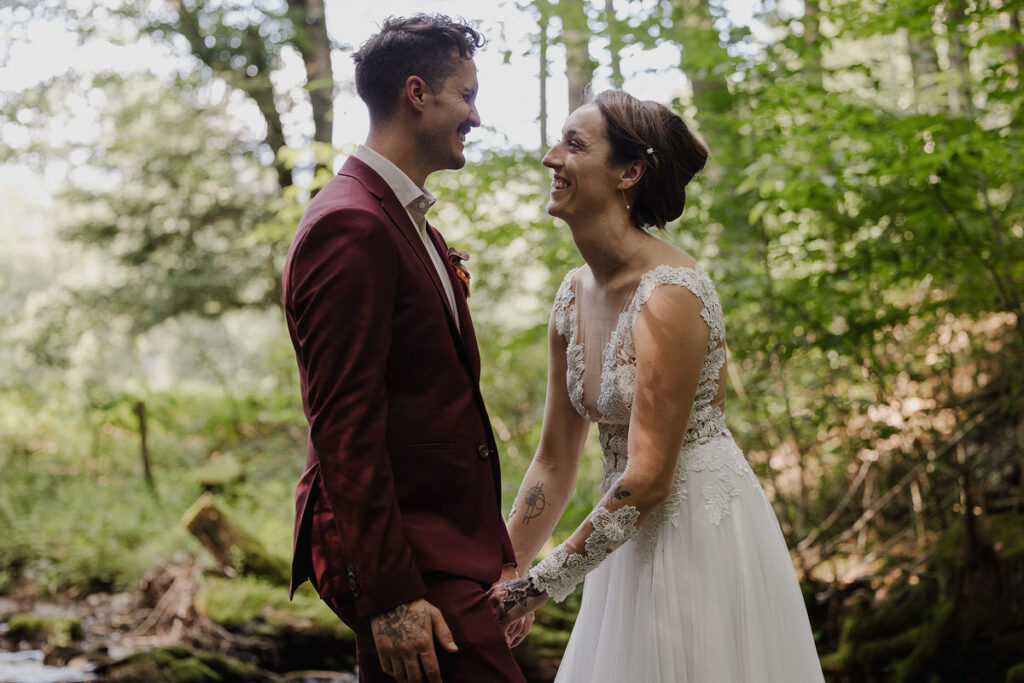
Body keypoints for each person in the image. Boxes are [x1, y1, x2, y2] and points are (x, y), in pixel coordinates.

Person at [489, 90, 826, 682]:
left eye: (573, 144)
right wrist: (506, 571)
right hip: (617, 531)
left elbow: (648, 477)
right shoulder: (572, 295)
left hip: (691, 529)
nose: (550, 159)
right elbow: (553, 459)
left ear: (629, 173)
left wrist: (541, 586)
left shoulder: (670, 294)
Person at [282, 15, 526, 683]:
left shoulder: (408, 220)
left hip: (442, 544)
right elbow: (344, 425)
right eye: (466, 96)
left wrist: (497, 551)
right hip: (403, 554)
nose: (475, 115)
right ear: (417, 93)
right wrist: (389, 596)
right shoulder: (351, 225)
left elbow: (439, 405)